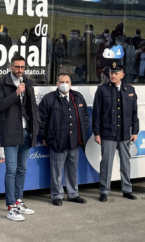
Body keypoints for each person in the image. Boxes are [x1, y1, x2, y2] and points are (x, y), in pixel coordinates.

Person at [0, 55, 40, 221]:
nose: (20, 70)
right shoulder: (1, 82)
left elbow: (32, 107)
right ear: (10, 67)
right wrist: (15, 93)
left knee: (22, 169)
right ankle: (11, 207)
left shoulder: (27, 81)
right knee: (11, 169)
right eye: (17, 67)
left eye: (22, 67)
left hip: (26, 131)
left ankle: (19, 201)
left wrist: (35, 127)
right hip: (11, 131)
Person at [39, 73, 89, 206]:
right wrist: (45, 136)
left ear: (71, 83)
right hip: (57, 141)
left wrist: (82, 134)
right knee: (56, 170)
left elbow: (84, 117)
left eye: (67, 81)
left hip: (74, 141)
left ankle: (73, 194)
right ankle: (57, 195)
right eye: (61, 81)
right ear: (57, 84)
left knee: (72, 169)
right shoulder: (49, 99)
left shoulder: (77, 97)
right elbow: (41, 120)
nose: (64, 84)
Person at [92, 62, 139, 202]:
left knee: (125, 162)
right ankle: (104, 190)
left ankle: (127, 189)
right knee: (106, 163)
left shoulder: (130, 89)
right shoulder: (102, 90)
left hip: (124, 133)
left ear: (122, 75)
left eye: (116, 73)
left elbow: (134, 113)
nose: (113, 75)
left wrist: (135, 131)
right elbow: (96, 113)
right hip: (108, 133)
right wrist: (97, 133)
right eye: (111, 73)